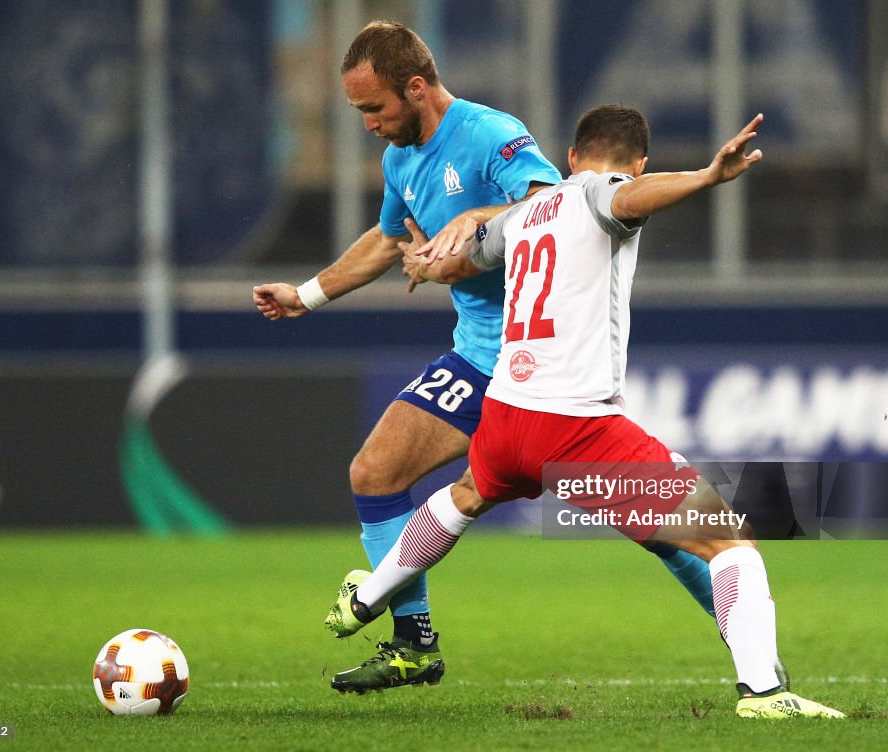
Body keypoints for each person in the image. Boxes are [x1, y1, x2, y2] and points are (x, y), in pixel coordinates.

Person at [325, 105, 844, 719]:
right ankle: (765, 694)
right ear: (637, 163)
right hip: (573, 424)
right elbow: (629, 200)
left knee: (462, 497)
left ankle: (365, 599)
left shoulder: (520, 214)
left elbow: (467, 259)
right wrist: (707, 176)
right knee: (730, 541)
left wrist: (425, 264)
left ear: (570, 157)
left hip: (506, 414)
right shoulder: (607, 193)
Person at [254, 20, 719, 693]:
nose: (369, 125)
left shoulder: (491, 134)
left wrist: (476, 220)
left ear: (415, 88)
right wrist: (307, 294)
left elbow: (548, 204)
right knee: (376, 471)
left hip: (534, 359)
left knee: (658, 531)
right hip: (476, 355)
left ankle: (748, 630)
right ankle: (413, 644)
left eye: (375, 108)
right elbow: (389, 241)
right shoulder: (399, 159)